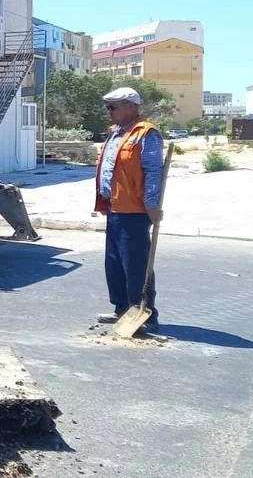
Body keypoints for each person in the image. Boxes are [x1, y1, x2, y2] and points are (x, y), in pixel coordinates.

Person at [93, 86, 165, 333]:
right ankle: (121, 309)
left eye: (113, 107)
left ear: (130, 106)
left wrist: (152, 205)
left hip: (134, 209)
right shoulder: (115, 133)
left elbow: (153, 172)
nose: (109, 112)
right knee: (113, 262)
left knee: (135, 263)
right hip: (114, 206)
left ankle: (145, 314)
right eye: (108, 107)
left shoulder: (147, 133)